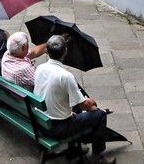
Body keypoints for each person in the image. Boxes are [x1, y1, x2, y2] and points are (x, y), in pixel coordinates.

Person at [34, 35, 115, 164]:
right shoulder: (66, 76)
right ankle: (97, 156)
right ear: (65, 51)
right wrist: (92, 102)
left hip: (40, 122)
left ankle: (73, 149)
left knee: (75, 105)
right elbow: (84, 105)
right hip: (58, 128)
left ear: (47, 51)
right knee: (99, 115)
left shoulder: (39, 68)